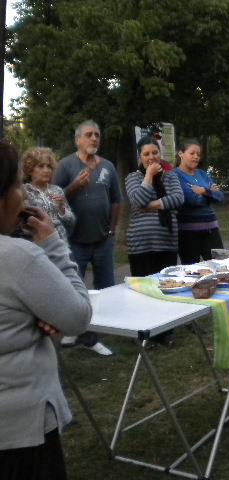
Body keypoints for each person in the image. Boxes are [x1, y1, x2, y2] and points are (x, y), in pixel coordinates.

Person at [0, 140, 92, 479]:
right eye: (16, 186)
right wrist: (53, 244)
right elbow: (77, 315)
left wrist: (31, 314)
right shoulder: (17, 257)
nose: (21, 197)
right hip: (20, 429)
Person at [54, 120, 121, 356]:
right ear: (78, 140)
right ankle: (76, 329)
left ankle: (92, 335)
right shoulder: (66, 165)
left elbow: (116, 199)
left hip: (103, 239)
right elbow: (52, 197)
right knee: (74, 289)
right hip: (74, 239)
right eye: (89, 134)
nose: (94, 138)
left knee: (104, 289)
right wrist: (74, 187)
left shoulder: (108, 166)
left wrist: (112, 229)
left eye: (97, 135)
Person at [125, 137, 184, 347]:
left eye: (154, 152)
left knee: (164, 287)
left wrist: (151, 206)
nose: (151, 157)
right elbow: (137, 200)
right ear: (139, 157)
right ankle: (145, 334)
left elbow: (178, 198)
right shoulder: (133, 177)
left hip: (166, 241)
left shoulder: (170, 176)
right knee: (144, 290)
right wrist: (149, 176)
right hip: (140, 243)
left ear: (160, 153)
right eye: (146, 154)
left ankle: (165, 332)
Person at [174, 139, 224, 264]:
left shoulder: (202, 174)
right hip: (188, 233)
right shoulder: (175, 175)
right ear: (181, 154)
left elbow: (220, 197)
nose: (196, 157)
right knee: (192, 270)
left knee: (220, 266)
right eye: (192, 153)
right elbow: (190, 199)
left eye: (198, 154)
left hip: (211, 230)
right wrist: (210, 193)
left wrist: (203, 191)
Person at [21, 147, 75, 242]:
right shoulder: (24, 191)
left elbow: (71, 222)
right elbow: (21, 225)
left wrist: (61, 209)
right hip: (37, 244)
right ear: (30, 170)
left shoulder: (57, 190)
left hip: (61, 243)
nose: (46, 170)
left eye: (49, 166)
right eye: (41, 166)